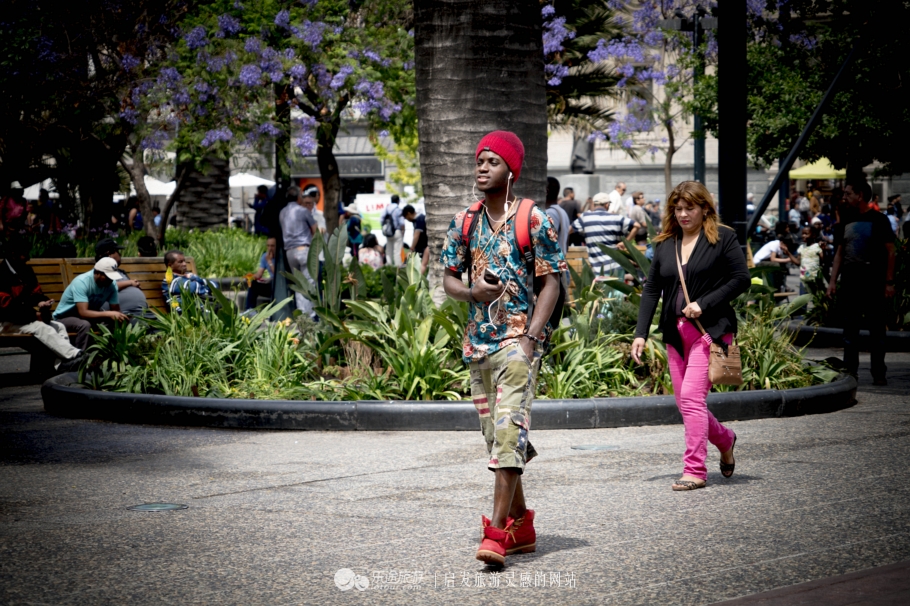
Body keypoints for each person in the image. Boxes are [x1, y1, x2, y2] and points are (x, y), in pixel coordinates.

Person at [439, 130, 564, 566]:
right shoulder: (464, 222)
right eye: (480, 161)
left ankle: (496, 533)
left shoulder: (534, 219)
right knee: (498, 437)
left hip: (517, 343)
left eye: (492, 162)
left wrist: (530, 338)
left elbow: (551, 282)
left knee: (509, 431)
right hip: (478, 346)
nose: (482, 167)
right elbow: (448, 280)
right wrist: (472, 292)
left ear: (511, 170)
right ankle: (522, 526)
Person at [631, 181, 750, 491]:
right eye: (678, 209)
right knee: (685, 403)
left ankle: (694, 469)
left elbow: (741, 279)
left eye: (690, 208)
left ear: (704, 208)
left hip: (710, 331)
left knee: (692, 399)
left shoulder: (722, 238)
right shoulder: (666, 244)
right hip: (675, 333)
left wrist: (704, 303)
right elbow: (652, 289)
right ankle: (725, 439)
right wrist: (640, 333)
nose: (683, 214)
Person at [826, 177, 896, 385]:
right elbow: (839, 253)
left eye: (848, 193)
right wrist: (832, 282)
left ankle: (879, 373)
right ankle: (850, 373)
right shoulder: (846, 219)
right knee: (850, 331)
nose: (845, 197)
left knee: (876, 331)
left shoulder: (879, 220)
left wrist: (889, 282)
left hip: (874, 283)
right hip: (851, 283)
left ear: (860, 195)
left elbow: (891, 251)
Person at [0, 239, 82, 370]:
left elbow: (35, 294)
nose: (28, 257)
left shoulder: (25, 270)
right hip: (6, 322)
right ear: (13, 254)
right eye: (24, 254)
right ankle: (74, 355)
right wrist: (34, 315)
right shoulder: (2, 274)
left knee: (59, 326)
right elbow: (7, 309)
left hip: (24, 319)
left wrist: (42, 302)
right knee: (42, 328)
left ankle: (61, 364)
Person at [53, 258, 128, 351]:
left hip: (89, 317)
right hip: (64, 318)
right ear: (97, 272)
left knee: (116, 321)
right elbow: (83, 313)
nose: (110, 280)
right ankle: (80, 356)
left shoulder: (111, 285)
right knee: (84, 325)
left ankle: (108, 354)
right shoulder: (82, 282)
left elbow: (116, 310)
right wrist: (109, 313)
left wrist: (121, 317)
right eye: (107, 276)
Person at [570, 192, 640, 277]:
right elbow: (637, 225)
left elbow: (569, 230)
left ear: (594, 204)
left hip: (598, 269)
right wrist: (625, 242)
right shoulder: (616, 218)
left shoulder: (585, 217)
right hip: (616, 267)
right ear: (607, 205)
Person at [279, 185, 318, 318]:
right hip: (304, 249)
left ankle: (302, 316)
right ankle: (311, 316)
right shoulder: (303, 211)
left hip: (290, 251)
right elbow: (315, 230)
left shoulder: (282, 212)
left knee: (298, 284)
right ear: (298, 197)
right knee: (309, 282)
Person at [94, 238, 148, 315]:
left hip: (138, 311)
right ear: (109, 254)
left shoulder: (120, 272)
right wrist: (130, 283)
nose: (120, 254)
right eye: (118, 251)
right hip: (123, 313)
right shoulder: (100, 272)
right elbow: (106, 288)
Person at [246, 237, 276, 310]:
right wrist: (251, 276)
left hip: (277, 286)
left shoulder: (280, 257)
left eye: (272, 246)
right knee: (253, 284)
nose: (270, 248)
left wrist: (270, 262)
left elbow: (278, 274)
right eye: (268, 246)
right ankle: (250, 309)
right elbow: (259, 274)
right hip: (269, 285)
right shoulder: (265, 256)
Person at [795, 226, 824, 294]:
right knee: (803, 299)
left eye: (806, 234)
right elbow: (798, 262)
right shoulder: (801, 247)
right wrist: (788, 253)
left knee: (816, 298)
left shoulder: (817, 247)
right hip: (804, 280)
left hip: (815, 280)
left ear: (814, 235)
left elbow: (823, 261)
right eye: (802, 234)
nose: (803, 235)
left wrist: (823, 250)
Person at [544, 177, 570, 254]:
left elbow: (549, 241)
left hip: (552, 258)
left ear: (546, 191)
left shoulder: (550, 213)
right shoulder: (562, 211)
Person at [402, 204, 429, 273]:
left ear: (408, 213)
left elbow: (416, 235)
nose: (407, 219)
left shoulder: (420, 219)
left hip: (423, 248)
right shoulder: (416, 220)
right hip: (419, 248)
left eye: (406, 217)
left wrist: (411, 249)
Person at [380, 194, 405, 267]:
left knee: (389, 250)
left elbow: (381, 220)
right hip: (397, 231)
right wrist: (403, 232)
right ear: (398, 201)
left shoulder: (386, 209)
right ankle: (398, 267)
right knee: (398, 250)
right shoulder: (398, 209)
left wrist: (386, 228)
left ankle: (389, 266)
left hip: (388, 232)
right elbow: (402, 223)